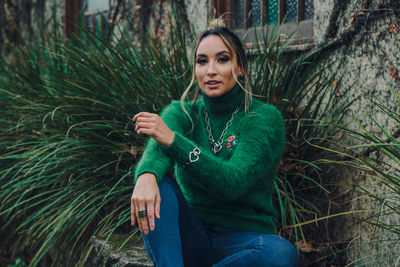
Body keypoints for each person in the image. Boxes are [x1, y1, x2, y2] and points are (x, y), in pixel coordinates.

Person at [130, 18, 299, 267]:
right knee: (157, 181)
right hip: (192, 236)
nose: (210, 70)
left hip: (243, 241)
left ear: (240, 67)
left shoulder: (263, 118)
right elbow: (157, 155)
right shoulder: (181, 113)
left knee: (281, 254)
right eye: (202, 61)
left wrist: (175, 142)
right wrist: (146, 175)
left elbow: (233, 183)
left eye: (222, 59)